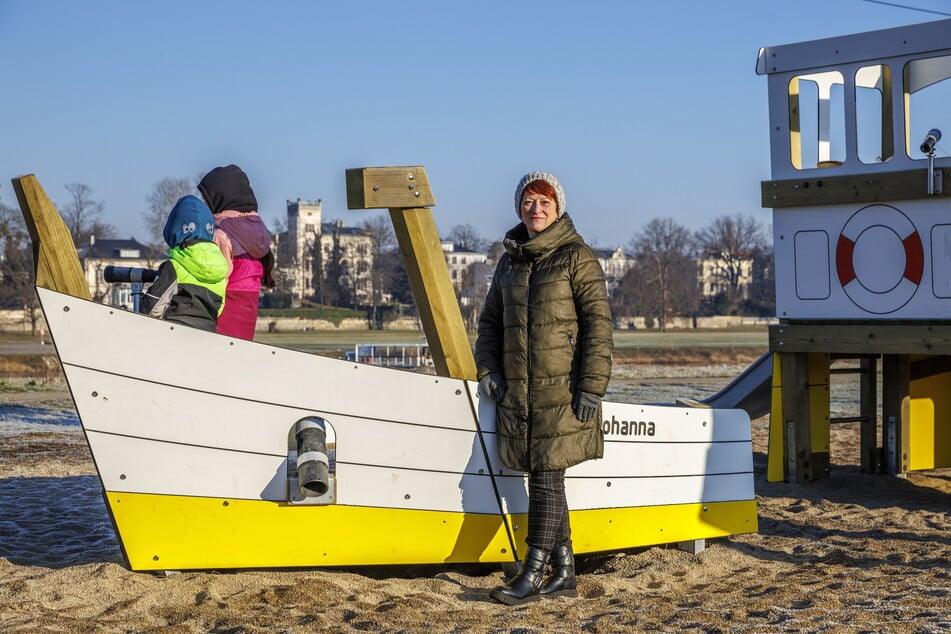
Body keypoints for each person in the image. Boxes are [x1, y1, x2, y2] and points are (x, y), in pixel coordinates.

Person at [475, 171, 613, 605]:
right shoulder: (510, 261)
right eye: (529, 202)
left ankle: (534, 571)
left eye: (544, 203)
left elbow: (598, 325)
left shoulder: (577, 257)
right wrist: (489, 371)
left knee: (547, 479)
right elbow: (490, 324)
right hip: (519, 392)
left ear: (559, 208)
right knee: (543, 479)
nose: (536, 210)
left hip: (564, 392)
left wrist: (592, 386)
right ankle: (565, 570)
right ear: (520, 207)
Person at [197, 164, 274, 340]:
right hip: (250, 297)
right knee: (240, 346)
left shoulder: (220, 232)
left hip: (227, 296)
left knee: (219, 348)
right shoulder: (259, 230)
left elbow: (217, 272)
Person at [140, 195, 229, 332]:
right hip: (207, 336)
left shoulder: (175, 266)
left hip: (173, 335)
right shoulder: (221, 269)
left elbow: (152, 307)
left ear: (174, 230)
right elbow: (219, 308)